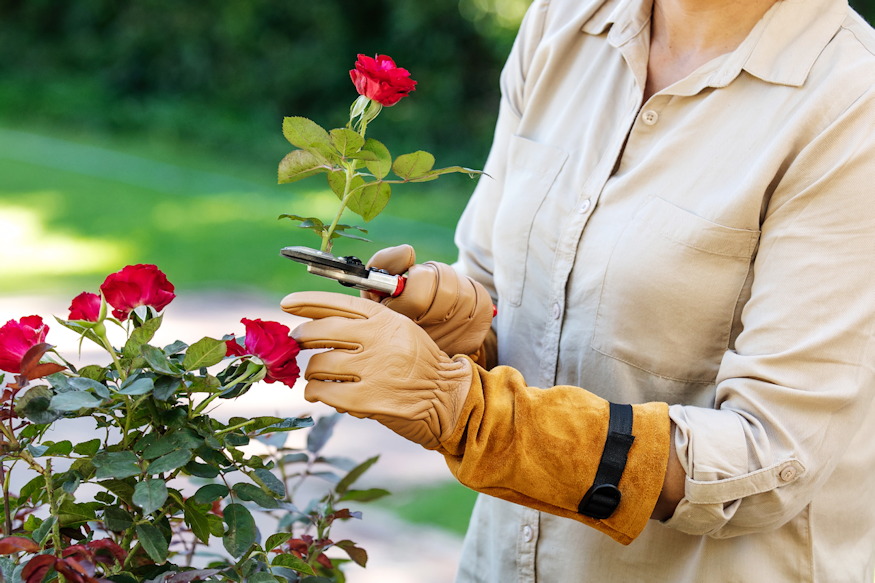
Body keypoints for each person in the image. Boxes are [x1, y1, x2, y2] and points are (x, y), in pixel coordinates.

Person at [280, 0, 875, 580]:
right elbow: (495, 282)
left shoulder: (851, 100)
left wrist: (465, 411)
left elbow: (771, 460)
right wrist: (461, 325)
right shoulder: (561, 23)